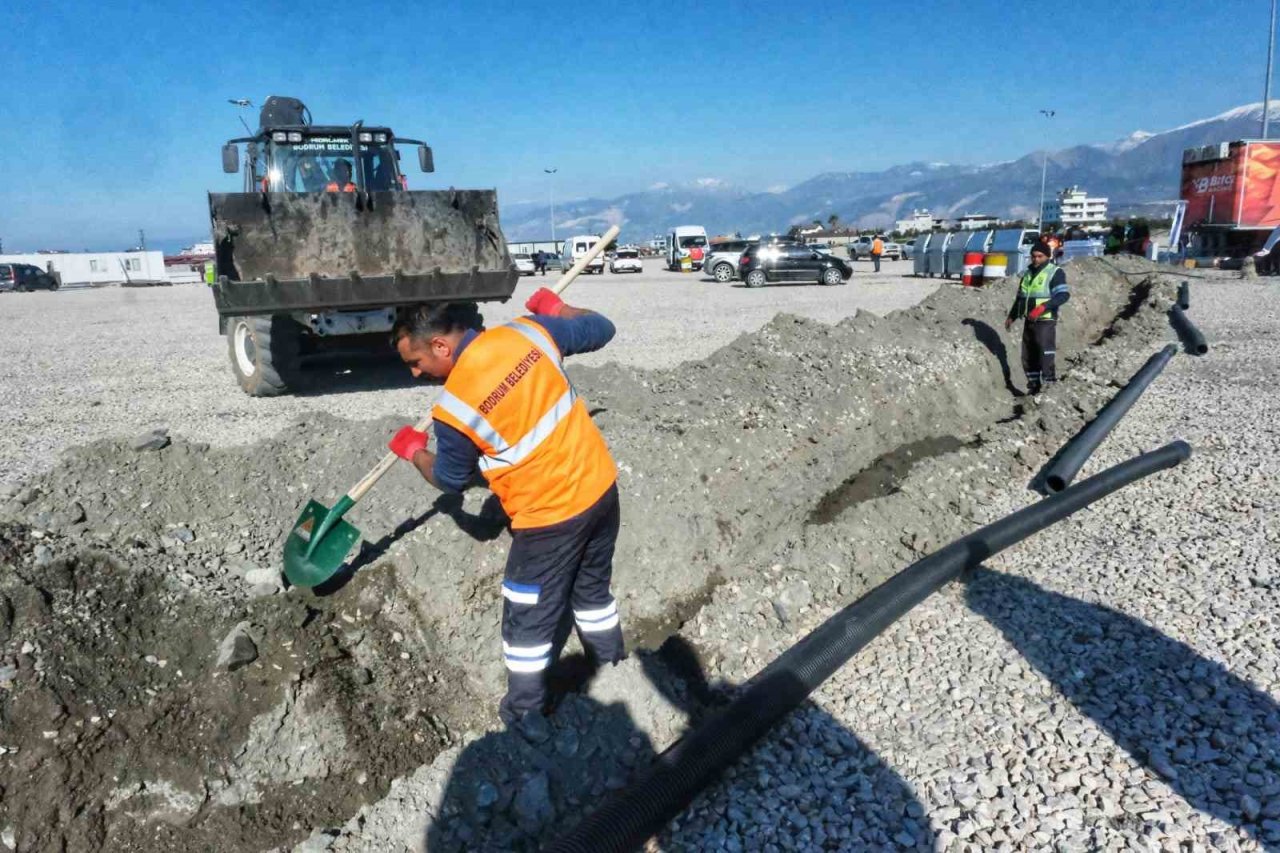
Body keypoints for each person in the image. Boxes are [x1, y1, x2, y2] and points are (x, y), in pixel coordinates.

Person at [388, 290, 624, 724]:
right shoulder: (529, 332)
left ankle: (525, 715)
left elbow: (451, 480)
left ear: (442, 345)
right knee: (591, 591)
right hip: (600, 490)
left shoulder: (455, 408)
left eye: (417, 361)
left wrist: (416, 452)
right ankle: (612, 668)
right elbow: (602, 328)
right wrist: (559, 309)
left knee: (527, 624)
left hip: (549, 519)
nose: (416, 373)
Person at [1005, 241, 1070, 396]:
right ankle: (1034, 385)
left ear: (1047, 256)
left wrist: (1042, 308)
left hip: (1045, 320)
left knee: (1044, 351)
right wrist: (1012, 316)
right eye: (1033, 256)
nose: (1036, 259)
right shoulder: (1027, 274)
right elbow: (1020, 298)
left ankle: (1049, 385)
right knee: (1028, 354)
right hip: (1029, 320)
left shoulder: (1054, 272)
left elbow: (1063, 295)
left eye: (1040, 256)